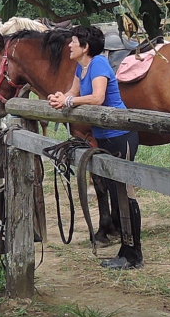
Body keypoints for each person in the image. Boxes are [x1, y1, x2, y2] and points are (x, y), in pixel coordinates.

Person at [48, 24, 141, 269]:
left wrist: (69, 100)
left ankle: (134, 254)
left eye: (74, 42)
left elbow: (97, 98)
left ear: (85, 47)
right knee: (116, 191)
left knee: (125, 192)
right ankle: (126, 251)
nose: (69, 45)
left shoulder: (98, 64)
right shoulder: (82, 66)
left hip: (120, 135)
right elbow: (73, 92)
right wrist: (61, 98)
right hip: (105, 136)